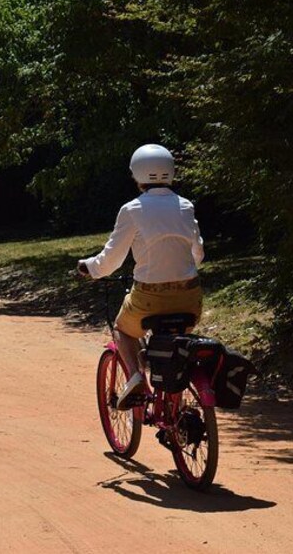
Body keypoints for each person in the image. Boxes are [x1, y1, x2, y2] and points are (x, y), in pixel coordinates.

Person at [77, 144, 204, 409]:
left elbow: (110, 259)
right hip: (190, 298)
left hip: (150, 297)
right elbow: (198, 254)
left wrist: (90, 267)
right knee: (177, 341)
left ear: (136, 174)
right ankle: (176, 404)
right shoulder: (185, 206)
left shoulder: (132, 210)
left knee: (123, 329)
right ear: (170, 172)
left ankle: (135, 376)